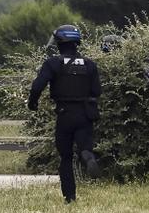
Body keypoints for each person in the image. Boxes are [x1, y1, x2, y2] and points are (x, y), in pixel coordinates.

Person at [28, 24, 102, 203]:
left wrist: (33, 102)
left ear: (60, 43)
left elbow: (38, 85)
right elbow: (96, 91)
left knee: (66, 157)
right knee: (85, 146)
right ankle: (88, 157)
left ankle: (70, 197)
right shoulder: (90, 64)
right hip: (85, 114)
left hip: (65, 113)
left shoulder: (53, 63)